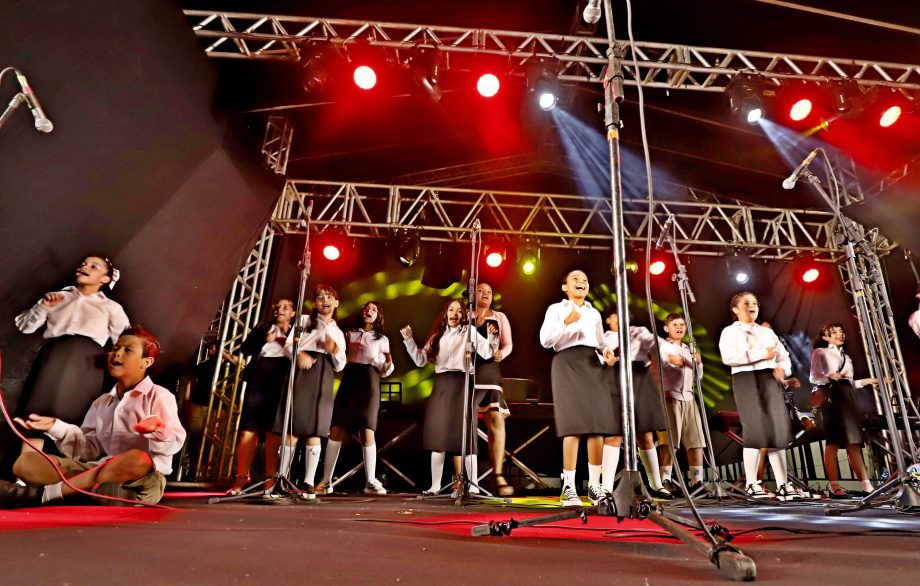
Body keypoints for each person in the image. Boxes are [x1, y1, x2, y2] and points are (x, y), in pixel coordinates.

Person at [0, 325, 186, 507]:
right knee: (25, 463)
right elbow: (89, 450)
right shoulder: (102, 402)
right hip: (97, 471)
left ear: (146, 362)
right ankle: (95, 492)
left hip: (140, 478)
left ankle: (56, 493)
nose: (117, 354)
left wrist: (158, 429)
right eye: (115, 349)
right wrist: (55, 426)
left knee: (138, 459)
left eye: (127, 350)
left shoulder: (159, 396)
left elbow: (175, 442)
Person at [14, 255, 130, 452]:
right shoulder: (56, 297)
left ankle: (59, 470)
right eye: (84, 264)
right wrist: (43, 306)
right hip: (53, 359)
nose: (85, 267)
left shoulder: (112, 308)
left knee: (72, 418)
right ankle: (26, 467)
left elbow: (125, 341)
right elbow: (25, 327)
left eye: (94, 266)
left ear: (105, 279)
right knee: (36, 412)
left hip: (87, 365)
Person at [718, 292, 809, 501]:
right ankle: (752, 484)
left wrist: (782, 369)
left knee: (777, 430)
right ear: (735, 309)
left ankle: (783, 485)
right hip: (746, 379)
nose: (752, 306)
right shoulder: (730, 331)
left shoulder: (767, 332)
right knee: (755, 430)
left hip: (769, 379)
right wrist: (762, 354)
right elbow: (728, 357)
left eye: (755, 303)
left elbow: (783, 356)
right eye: (746, 303)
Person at [402, 298, 496, 496]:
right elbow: (420, 360)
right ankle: (435, 485)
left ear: (464, 315)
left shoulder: (469, 332)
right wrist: (409, 340)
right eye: (451, 310)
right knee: (438, 434)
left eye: (459, 310)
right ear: (445, 313)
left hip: (462, 383)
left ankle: (472, 485)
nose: (455, 313)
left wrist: (492, 337)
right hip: (442, 385)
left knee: (465, 434)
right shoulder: (437, 336)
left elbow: (487, 352)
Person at [539, 270, 618, 507]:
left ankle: (594, 487)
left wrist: (607, 354)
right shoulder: (556, 309)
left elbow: (601, 342)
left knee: (597, 426)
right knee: (573, 426)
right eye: (575, 279)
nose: (581, 282)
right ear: (565, 287)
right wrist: (566, 322)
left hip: (592, 364)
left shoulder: (593, 313)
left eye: (585, 280)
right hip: (567, 362)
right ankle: (569, 487)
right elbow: (545, 340)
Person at [269, 285, 346, 499]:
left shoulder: (338, 332)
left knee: (316, 430)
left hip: (324, 376)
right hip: (302, 374)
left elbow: (340, 365)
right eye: (320, 297)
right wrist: (299, 353)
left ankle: (309, 483)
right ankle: (281, 480)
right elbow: (287, 345)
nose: (324, 300)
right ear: (315, 303)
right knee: (293, 428)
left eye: (329, 297)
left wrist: (335, 350)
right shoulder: (304, 321)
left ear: (336, 303)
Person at [317, 301, 394, 496]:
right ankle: (325, 481)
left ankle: (370, 481)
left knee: (367, 430)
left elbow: (386, 370)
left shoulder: (382, 338)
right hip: (350, 379)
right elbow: (340, 359)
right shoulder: (349, 334)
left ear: (378, 316)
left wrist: (386, 362)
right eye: (366, 308)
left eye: (374, 309)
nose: (369, 311)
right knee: (337, 428)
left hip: (370, 381)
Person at [227, 298, 295, 496]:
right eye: (277, 307)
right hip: (259, 377)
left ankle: (270, 480)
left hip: (281, 379)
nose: (279, 310)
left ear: (293, 313)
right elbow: (245, 349)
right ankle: (241, 477)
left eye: (285, 307)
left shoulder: (296, 331)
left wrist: (283, 340)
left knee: (273, 431)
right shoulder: (263, 328)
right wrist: (264, 339)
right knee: (249, 428)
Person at [601, 311, 671, 499]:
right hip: (613, 378)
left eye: (621, 314)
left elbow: (654, 344)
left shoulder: (638, 331)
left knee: (645, 434)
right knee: (613, 434)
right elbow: (600, 356)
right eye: (615, 315)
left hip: (639, 377)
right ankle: (606, 488)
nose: (619, 318)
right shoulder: (603, 337)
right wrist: (609, 357)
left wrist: (668, 353)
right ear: (608, 319)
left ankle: (656, 484)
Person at [810, 322, 876, 498]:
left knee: (853, 441)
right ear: (825, 337)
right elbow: (814, 377)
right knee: (832, 442)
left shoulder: (847, 357)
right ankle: (835, 487)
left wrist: (868, 381)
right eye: (834, 332)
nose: (840, 333)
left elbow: (850, 382)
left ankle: (867, 486)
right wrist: (830, 376)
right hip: (833, 398)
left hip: (848, 397)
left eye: (841, 330)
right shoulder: (820, 352)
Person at [470, 282, 514, 497]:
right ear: (472, 293)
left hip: (489, 372)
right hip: (466, 372)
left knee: (496, 419)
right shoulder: (462, 314)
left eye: (489, 291)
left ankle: (498, 474)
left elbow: (508, 344)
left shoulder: (499, 317)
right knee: (464, 423)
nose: (485, 294)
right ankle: (462, 476)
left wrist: (501, 354)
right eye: (481, 290)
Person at [656, 313, 706, 494]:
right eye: (675, 324)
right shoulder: (662, 346)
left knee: (696, 441)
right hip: (670, 397)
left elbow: (698, 378)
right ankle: (664, 480)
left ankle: (697, 482)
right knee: (670, 441)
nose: (679, 328)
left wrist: (698, 363)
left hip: (689, 398)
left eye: (682, 325)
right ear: (666, 328)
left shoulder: (687, 349)